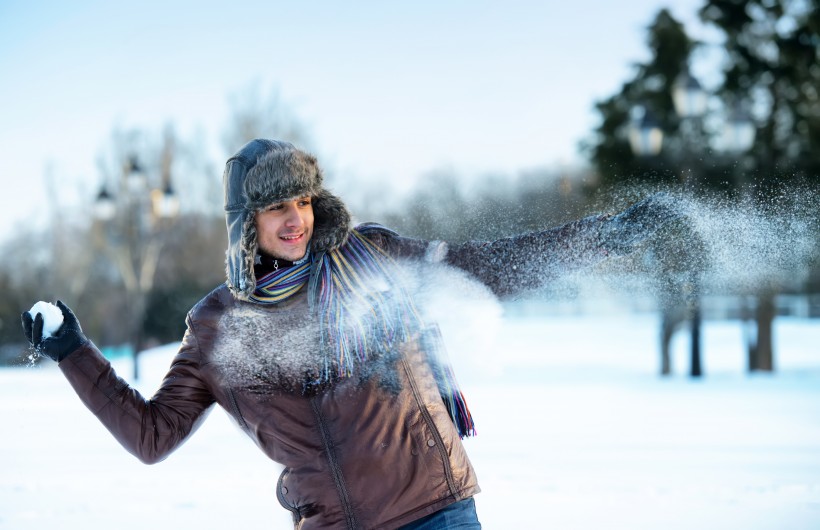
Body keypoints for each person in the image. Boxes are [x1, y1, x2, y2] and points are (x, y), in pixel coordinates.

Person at [22, 139, 682, 529]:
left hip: (436, 511)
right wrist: (73, 352)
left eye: (302, 201)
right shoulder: (219, 326)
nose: (295, 220)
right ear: (243, 222)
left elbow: (490, 268)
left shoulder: (372, 259)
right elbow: (151, 436)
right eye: (275, 206)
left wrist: (606, 237)